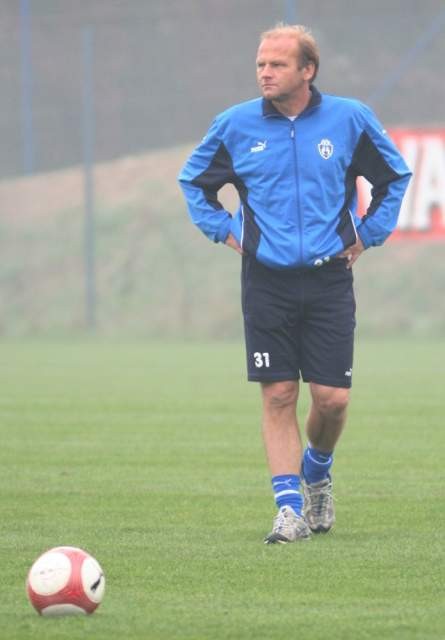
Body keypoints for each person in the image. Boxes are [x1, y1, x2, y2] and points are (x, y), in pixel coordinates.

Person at [178, 24, 411, 544]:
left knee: (332, 400)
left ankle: (318, 472)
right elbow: (193, 182)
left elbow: (394, 177)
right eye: (261, 64)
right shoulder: (234, 125)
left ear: (308, 70)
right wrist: (224, 230)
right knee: (280, 394)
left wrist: (368, 234)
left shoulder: (349, 119)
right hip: (266, 281)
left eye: (277, 64)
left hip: (330, 278)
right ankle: (288, 510)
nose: (265, 72)